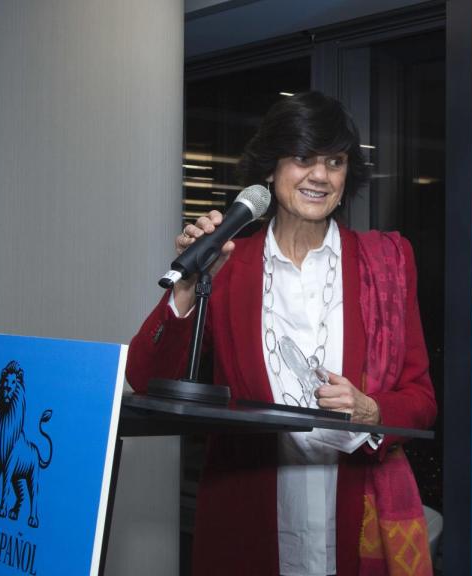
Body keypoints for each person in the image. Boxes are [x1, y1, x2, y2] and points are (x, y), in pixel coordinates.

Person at [126, 92, 437, 576]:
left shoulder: (386, 263)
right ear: (270, 170)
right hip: (247, 514)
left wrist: (371, 409)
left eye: (335, 161)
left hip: (355, 514)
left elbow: (420, 398)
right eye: (302, 158)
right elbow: (146, 378)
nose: (320, 175)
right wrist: (189, 284)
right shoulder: (227, 263)